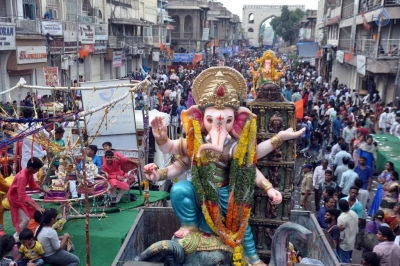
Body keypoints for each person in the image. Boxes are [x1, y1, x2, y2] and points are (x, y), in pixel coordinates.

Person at [8, 157, 48, 242]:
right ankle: (17, 238)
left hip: (20, 196)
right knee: (25, 219)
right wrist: (36, 207)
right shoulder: (22, 176)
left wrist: (42, 190)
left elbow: (33, 185)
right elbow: (21, 196)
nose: (37, 171)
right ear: (31, 168)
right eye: (36, 169)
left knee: (28, 216)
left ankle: (22, 235)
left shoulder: (29, 173)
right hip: (15, 198)